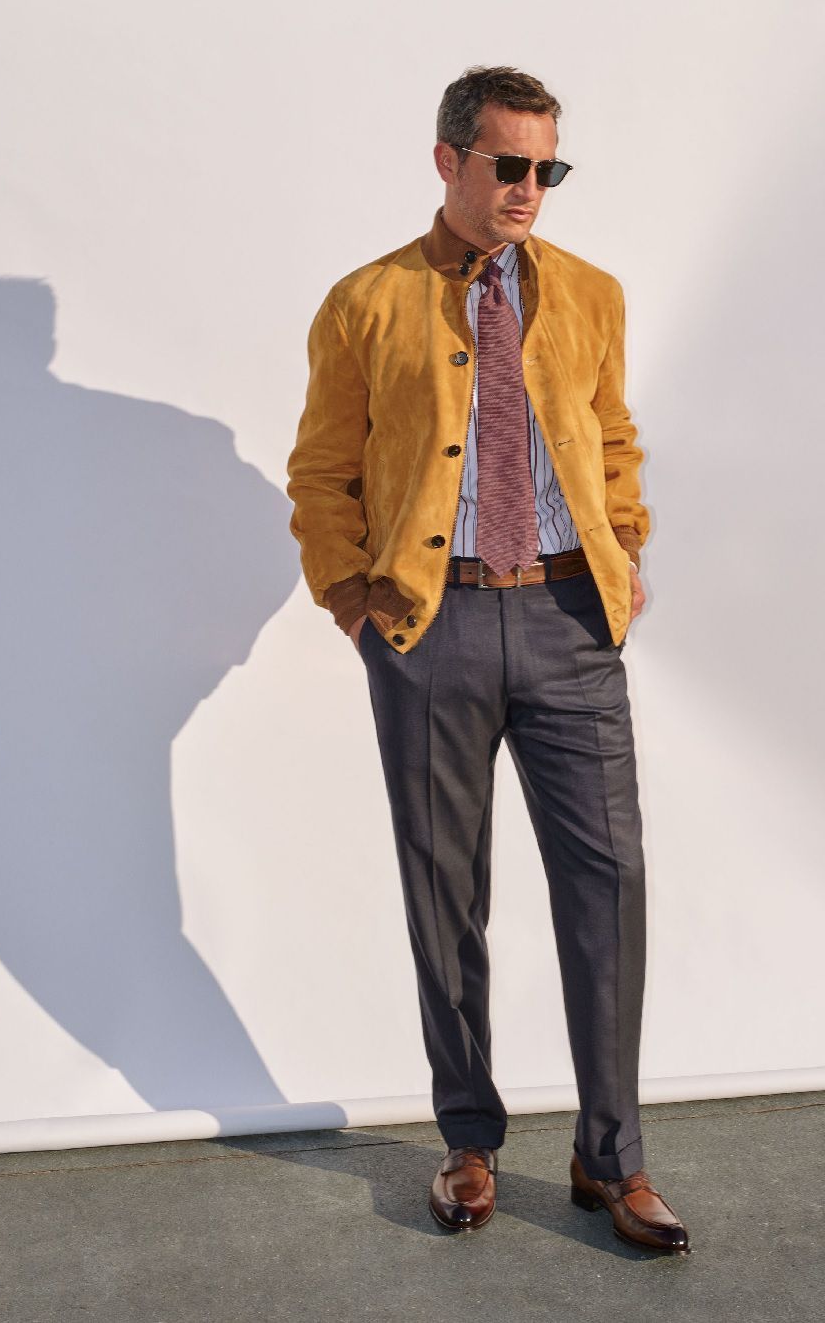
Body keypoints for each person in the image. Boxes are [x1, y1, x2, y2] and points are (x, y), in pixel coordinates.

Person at [285, 66, 690, 1255]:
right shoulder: (364, 302)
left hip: (570, 621)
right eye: (507, 165)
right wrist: (354, 600)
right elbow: (322, 472)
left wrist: (623, 545)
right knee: (445, 888)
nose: (527, 188)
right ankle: (467, 1140)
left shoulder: (591, 293)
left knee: (607, 884)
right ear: (448, 160)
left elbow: (611, 436)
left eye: (545, 168)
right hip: (432, 624)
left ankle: (610, 1157)